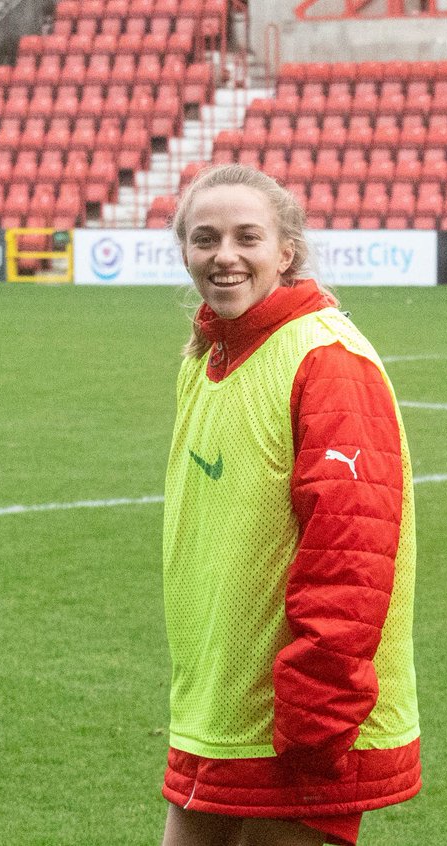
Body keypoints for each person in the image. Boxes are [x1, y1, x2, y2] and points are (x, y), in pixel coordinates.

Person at [159, 163, 420, 846]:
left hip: (297, 718)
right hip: (221, 705)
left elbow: (352, 558)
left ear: (287, 251)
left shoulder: (325, 360)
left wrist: (317, 711)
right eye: (205, 238)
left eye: (247, 237)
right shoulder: (205, 358)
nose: (224, 256)